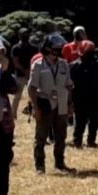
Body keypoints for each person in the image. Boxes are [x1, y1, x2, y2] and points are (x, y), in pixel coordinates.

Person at [28, 34, 75, 174]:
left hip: (61, 103)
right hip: (44, 103)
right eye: (57, 48)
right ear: (48, 49)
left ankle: (60, 164)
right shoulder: (38, 65)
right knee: (41, 136)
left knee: (61, 136)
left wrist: (70, 104)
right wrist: (36, 108)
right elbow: (31, 88)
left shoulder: (64, 65)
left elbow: (68, 86)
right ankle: (40, 166)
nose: (60, 50)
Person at [69, 40, 98, 149]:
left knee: (94, 121)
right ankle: (77, 141)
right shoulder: (74, 66)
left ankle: (91, 141)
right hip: (80, 98)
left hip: (94, 98)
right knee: (80, 121)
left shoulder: (97, 65)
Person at [0, 39, 17, 195]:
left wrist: (5, 72)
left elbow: (13, 88)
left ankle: (2, 192)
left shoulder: (4, 72)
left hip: (3, 120)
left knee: (4, 155)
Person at [9, 29, 37, 116]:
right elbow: (16, 63)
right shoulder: (15, 48)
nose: (25, 36)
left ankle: (34, 113)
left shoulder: (34, 48)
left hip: (32, 75)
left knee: (34, 96)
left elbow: (36, 61)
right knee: (17, 97)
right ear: (19, 35)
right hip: (20, 76)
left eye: (26, 34)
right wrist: (26, 71)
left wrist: (31, 72)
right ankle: (13, 115)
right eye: (23, 34)